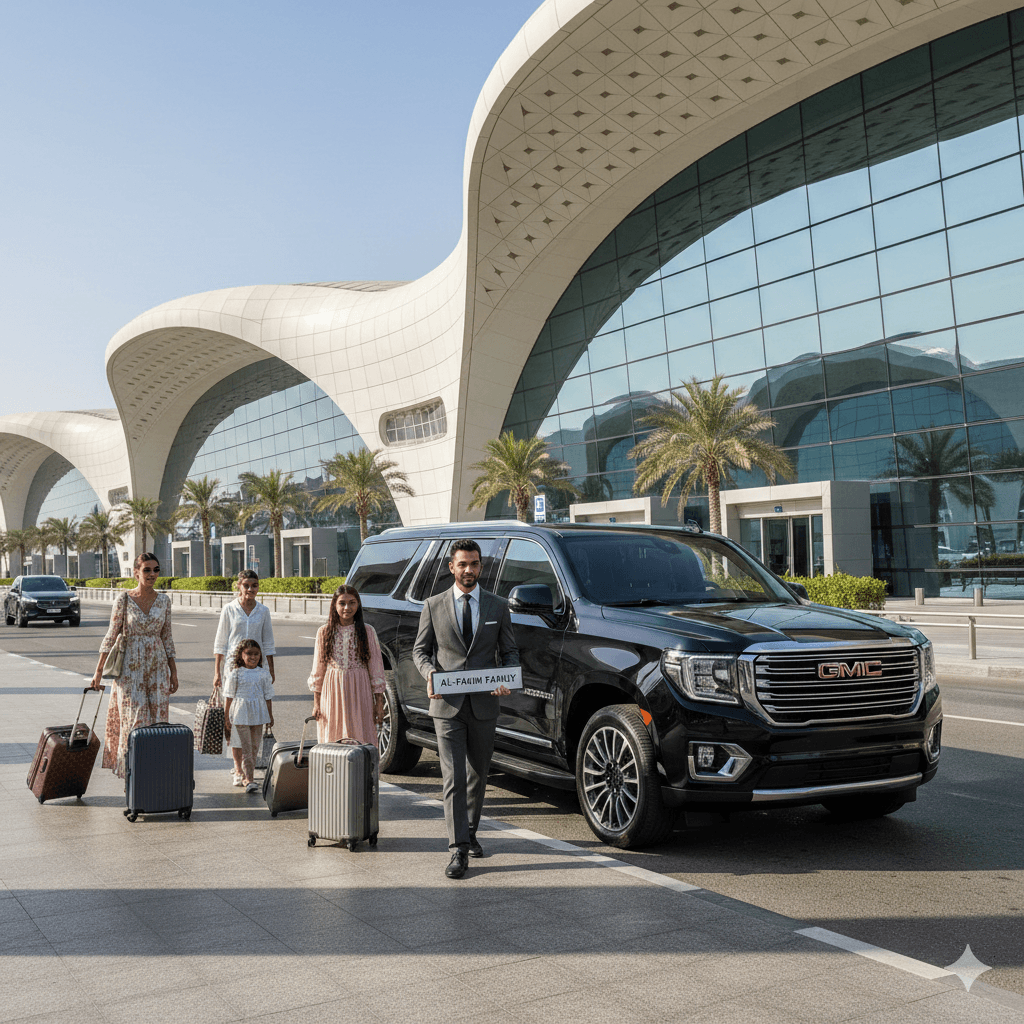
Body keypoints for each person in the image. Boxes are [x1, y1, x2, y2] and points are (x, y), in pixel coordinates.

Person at [412, 539, 518, 879]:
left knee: (477, 775)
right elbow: (420, 651)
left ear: (480, 567)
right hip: (446, 706)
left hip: (486, 704)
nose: (468, 570)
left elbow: (510, 653)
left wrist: (507, 679)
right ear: (451, 567)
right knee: (453, 777)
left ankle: (470, 831)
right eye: (462, 564)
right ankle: (457, 850)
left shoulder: (498, 606)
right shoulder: (433, 605)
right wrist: (429, 674)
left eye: (474, 564)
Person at [90, 553, 178, 778]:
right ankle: (132, 774)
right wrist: (98, 672)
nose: (152, 574)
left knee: (158, 719)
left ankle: (155, 773)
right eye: (147, 570)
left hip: (157, 667)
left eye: (156, 570)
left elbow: (167, 637)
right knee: (135, 719)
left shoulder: (164, 601)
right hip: (130, 669)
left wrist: (173, 672)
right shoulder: (124, 600)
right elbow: (111, 635)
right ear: (136, 573)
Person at [213, 569, 276, 786]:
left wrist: (270, 669)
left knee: (253, 716)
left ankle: (247, 766)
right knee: (235, 717)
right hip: (233, 669)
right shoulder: (229, 609)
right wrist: (216, 673)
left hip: (257, 668)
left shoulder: (263, 611)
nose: (250, 589)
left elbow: (267, 642)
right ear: (238, 586)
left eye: (254, 585)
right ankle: (238, 768)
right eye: (246, 585)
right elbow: (220, 642)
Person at [308, 585, 386, 748]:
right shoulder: (324, 632)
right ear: (334, 605)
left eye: (352, 603)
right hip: (332, 693)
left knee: (361, 737)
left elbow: (376, 668)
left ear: (358, 605)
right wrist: (316, 703)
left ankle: (361, 773)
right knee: (332, 737)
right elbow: (318, 670)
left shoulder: (367, 631)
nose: (347, 608)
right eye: (342, 603)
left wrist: (379, 703)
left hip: (360, 691)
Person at [223, 639, 275, 793]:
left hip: (258, 714)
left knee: (254, 747)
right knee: (245, 747)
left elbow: (268, 697)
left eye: (256, 654)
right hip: (240, 713)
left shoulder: (264, 674)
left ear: (260, 655)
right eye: (249, 654)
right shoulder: (236, 673)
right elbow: (229, 696)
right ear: (241, 655)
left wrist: (270, 716)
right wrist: (226, 717)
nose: (253, 657)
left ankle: (247, 775)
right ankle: (249, 780)